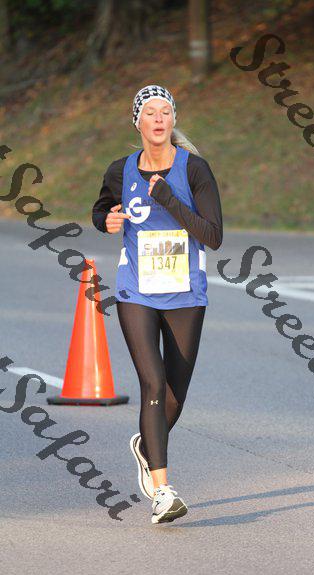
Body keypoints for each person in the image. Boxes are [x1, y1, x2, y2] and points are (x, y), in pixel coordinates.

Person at [92, 84, 223, 524]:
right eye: (150, 112)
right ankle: (162, 491)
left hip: (186, 293)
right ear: (138, 122)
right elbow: (101, 210)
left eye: (165, 111)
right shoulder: (121, 169)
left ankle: (146, 445)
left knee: (174, 395)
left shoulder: (195, 169)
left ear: (174, 120)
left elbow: (213, 235)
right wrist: (107, 220)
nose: (159, 118)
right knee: (152, 383)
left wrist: (168, 197)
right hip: (137, 291)